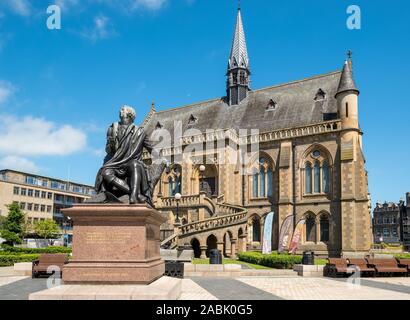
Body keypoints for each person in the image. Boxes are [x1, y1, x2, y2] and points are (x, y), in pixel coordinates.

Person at [94, 105, 167, 206]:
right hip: (116, 163)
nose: (120, 111)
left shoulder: (140, 132)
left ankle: (133, 196)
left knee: (135, 164)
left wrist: (163, 159)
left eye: (123, 109)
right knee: (105, 173)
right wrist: (110, 145)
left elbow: (151, 148)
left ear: (129, 114)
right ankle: (135, 193)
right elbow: (108, 150)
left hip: (131, 163)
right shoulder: (112, 128)